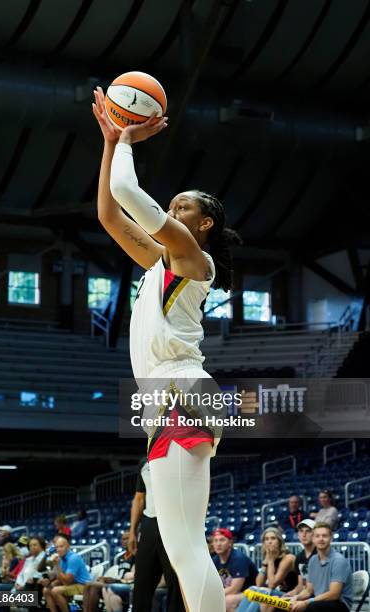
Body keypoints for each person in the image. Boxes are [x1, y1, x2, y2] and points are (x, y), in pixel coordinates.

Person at [93, 79, 242, 611]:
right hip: (167, 401)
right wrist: (110, 144)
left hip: (183, 392)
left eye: (181, 207)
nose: (172, 211)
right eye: (171, 206)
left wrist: (128, 139)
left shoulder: (190, 257)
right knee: (182, 547)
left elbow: (131, 196)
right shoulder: (160, 262)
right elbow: (111, 213)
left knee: (183, 547)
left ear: (203, 224)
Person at [129, 459, 184, 612]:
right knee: (142, 581)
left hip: (174, 523)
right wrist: (132, 530)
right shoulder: (144, 463)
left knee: (175, 581)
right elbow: (139, 498)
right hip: (149, 524)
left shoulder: (178, 457)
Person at [289, 523, 352, 612]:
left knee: (312, 607)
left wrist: (307, 602)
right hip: (318, 601)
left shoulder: (339, 560)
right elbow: (308, 591)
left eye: (324, 536)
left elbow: (334, 594)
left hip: (339, 604)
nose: (321, 539)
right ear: (313, 539)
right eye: (317, 536)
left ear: (331, 538)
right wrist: (296, 597)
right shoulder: (313, 560)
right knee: (285, 606)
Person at [237, 527, 297, 612]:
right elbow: (258, 583)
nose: (269, 541)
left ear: (279, 542)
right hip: (275, 594)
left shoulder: (288, 558)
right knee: (252, 589)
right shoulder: (269, 558)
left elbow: (272, 585)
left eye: (273, 538)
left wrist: (271, 560)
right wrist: (266, 562)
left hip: (288, 595)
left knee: (262, 593)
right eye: (266, 539)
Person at [212, 528, 258, 611]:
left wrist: (214, 596)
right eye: (215, 540)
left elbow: (235, 589)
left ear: (230, 543)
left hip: (252, 592)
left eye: (222, 540)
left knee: (227, 601)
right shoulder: (214, 560)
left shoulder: (238, 558)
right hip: (231, 592)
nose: (218, 544)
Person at [42, 536, 91, 612]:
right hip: (73, 584)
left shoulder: (73, 558)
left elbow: (67, 582)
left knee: (55, 591)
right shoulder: (61, 558)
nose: (58, 549)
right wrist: (51, 584)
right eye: (57, 547)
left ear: (68, 547)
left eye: (61, 546)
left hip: (84, 586)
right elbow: (60, 578)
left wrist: (57, 565)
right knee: (46, 590)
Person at [286, 520, 317, 597]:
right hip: (304, 595)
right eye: (301, 531)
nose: (304, 534)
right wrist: (289, 594)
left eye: (308, 531)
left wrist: (295, 598)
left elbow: (313, 589)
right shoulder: (299, 557)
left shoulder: (319, 554)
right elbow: (301, 586)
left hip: (316, 598)